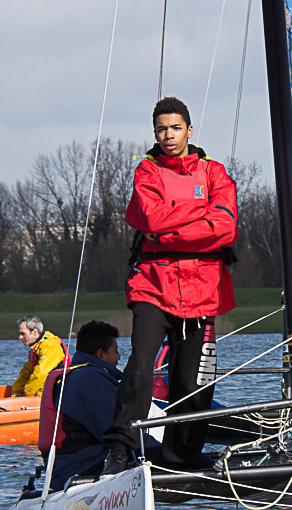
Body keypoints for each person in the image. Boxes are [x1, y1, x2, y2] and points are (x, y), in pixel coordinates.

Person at [101, 96, 238, 474]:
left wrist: (167, 230)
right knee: (141, 365)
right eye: (161, 129)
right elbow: (150, 216)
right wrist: (199, 218)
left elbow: (225, 227)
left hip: (202, 289)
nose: (168, 135)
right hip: (153, 284)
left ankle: (182, 458)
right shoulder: (146, 170)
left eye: (175, 128)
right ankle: (120, 448)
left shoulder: (215, 173)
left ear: (189, 130)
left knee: (194, 380)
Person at [38, 320, 165, 491]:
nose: (119, 357)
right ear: (101, 354)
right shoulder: (89, 380)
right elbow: (118, 431)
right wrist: (166, 451)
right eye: (116, 351)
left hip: (68, 465)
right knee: (176, 457)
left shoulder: (76, 375)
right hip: (81, 466)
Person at [11, 315, 67, 397]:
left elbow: (41, 373)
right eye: (19, 334)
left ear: (35, 332)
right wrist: (17, 391)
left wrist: (27, 395)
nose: (20, 337)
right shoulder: (36, 348)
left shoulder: (50, 346)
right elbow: (26, 373)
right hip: (44, 393)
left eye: (23, 334)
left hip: (57, 393)